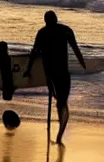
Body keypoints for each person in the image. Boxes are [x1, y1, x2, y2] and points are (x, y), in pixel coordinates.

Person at [24, 10, 86, 145]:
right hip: (55, 73)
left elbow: (35, 52)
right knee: (61, 102)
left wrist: (28, 69)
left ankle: (60, 132)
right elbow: (35, 51)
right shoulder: (61, 31)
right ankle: (60, 133)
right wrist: (82, 63)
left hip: (54, 73)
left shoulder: (47, 32)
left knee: (60, 102)